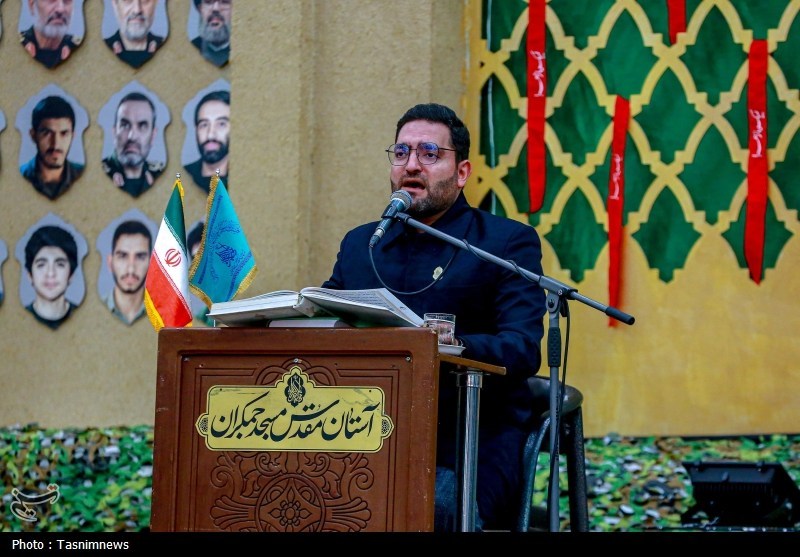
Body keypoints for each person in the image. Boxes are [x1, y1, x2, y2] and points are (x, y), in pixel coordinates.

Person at [321, 103, 547, 531]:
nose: (411, 165)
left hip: (469, 438)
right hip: (364, 431)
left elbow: (521, 348)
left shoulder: (504, 243)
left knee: (432, 502)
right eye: (401, 152)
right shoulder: (361, 245)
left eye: (429, 153)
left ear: (461, 172)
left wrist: (453, 345)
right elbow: (326, 316)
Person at [20, 95, 85, 201]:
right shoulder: (20, 176)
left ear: (72, 136)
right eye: (47, 133)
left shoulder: (83, 174)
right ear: (33, 135)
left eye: (64, 133)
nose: (55, 144)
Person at [101, 92, 164, 198]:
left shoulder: (162, 175)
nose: (132, 136)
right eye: (125, 125)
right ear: (114, 133)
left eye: (142, 126)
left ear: (153, 136)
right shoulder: (99, 172)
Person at [24, 225, 80, 330]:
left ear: (71, 275)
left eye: (60, 265)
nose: (50, 273)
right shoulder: (18, 317)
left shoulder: (84, 315)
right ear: (30, 276)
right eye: (41, 265)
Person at [104, 220, 152, 325]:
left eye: (140, 257)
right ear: (110, 263)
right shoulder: (96, 308)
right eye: (122, 256)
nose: (131, 269)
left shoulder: (163, 314)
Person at [183, 90, 230, 193]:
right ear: (196, 130)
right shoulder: (183, 174)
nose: (210, 135)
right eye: (204, 125)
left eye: (221, 124)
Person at [20, 0, 82, 69]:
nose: (60, 9)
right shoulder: (19, 45)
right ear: (32, 5)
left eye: (67, 0)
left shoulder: (79, 48)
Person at [104, 0, 165, 69]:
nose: (137, 10)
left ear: (156, 3)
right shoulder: (102, 50)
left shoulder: (166, 48)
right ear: (115, 4)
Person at [190, 0, 231, 67]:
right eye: (208, 2)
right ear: (200, 9)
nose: (215, 8)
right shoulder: (191, 47)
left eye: (224, 2)